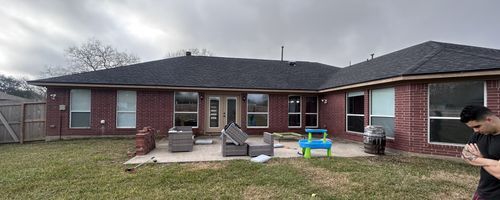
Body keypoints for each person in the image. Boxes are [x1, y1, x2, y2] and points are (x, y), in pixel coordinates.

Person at [460, 105, 500, 199]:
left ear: (489, 119)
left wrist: (479, 159)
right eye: (472, 128)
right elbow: (465, 155)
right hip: (483, 192)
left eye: (477, 126)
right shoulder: (479, 134)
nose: (475, 130)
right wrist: (494, 163)